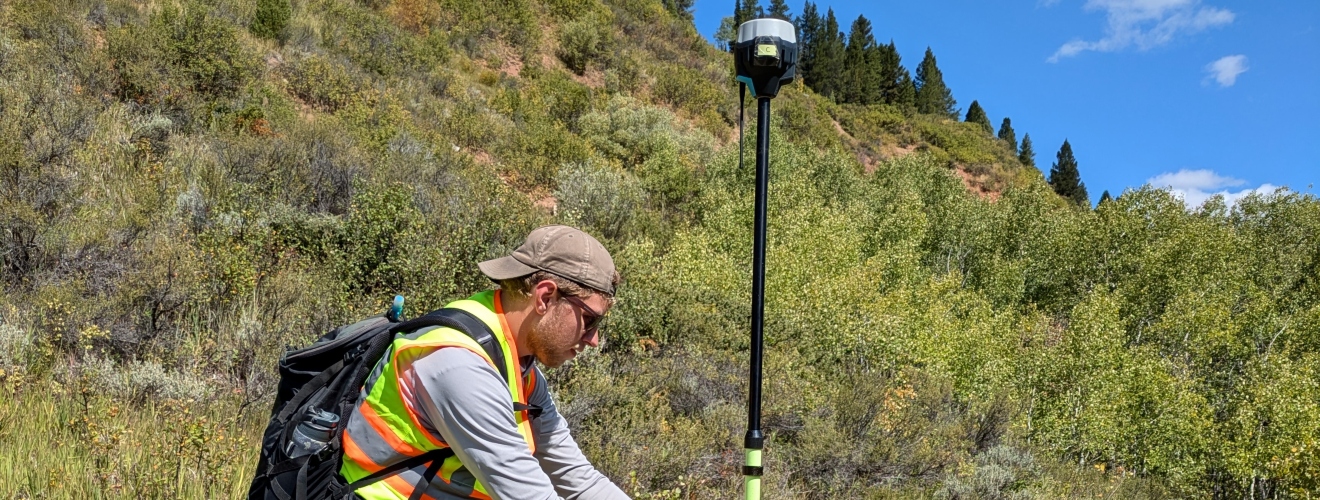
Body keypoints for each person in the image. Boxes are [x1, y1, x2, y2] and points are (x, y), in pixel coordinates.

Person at [339, 225, 630, 499]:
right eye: (590, 320)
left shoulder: (518, 365)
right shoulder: (458, 366)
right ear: (545, 296)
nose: (593, 339)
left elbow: (577, 477)